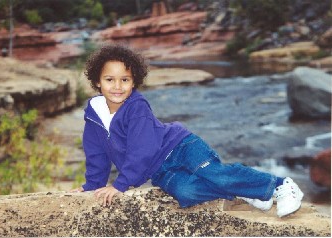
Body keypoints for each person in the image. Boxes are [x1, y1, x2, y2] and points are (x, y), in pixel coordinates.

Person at [73, 44, 304, 218]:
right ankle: (243, 189)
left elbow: (141, 151)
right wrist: (93, 185)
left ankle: (279, 185)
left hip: (180, 147)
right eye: (109, 79)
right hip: (159, 171)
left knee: (215, 174)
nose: (117, 86)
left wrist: (120, 184)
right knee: (186, 193)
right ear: (97, 81)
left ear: (134, 82)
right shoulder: (94, 114)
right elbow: (96, 154)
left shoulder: (137, 107)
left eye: (125, 79)